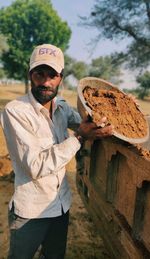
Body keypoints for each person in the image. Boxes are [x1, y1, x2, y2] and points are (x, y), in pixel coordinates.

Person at [0, 43, 113, 259]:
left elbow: (84, 122)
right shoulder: (16, 111)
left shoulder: (61, 106)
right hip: (31, 212)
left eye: (52, 75)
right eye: (39, 74)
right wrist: (79, 136)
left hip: (60, 206)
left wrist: (105, 114)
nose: (45, 82)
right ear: (30, 75)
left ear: (61, 77)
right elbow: (35, 166)